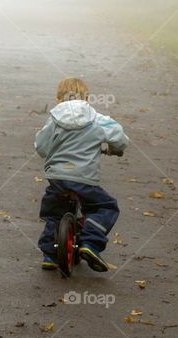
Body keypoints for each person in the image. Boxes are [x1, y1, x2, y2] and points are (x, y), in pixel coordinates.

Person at [34, 77, 129, 272]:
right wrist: (114, 148)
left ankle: (50, 256)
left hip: (58, 178)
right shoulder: (97, 119)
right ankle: (91, 242)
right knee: (105, 206)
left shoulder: (54, 119)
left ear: (59, 98)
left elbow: (42, 147)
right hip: (84, 179)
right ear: (87, 98)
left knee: (54, 213)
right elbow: (119, 136)